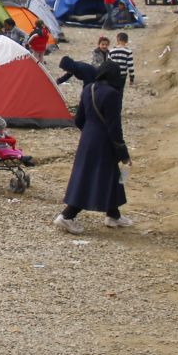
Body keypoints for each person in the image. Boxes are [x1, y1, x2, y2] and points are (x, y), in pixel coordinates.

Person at [53, 61, 132, 234]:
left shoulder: (88, 88)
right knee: (91, 177)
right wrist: (123, 152)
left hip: (88, 137)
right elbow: (114, 127)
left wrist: (90, 132)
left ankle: (113, 214)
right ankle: (67, 215)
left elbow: (78, 119)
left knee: (110, 174)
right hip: (103, 140)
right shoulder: (113, 94)